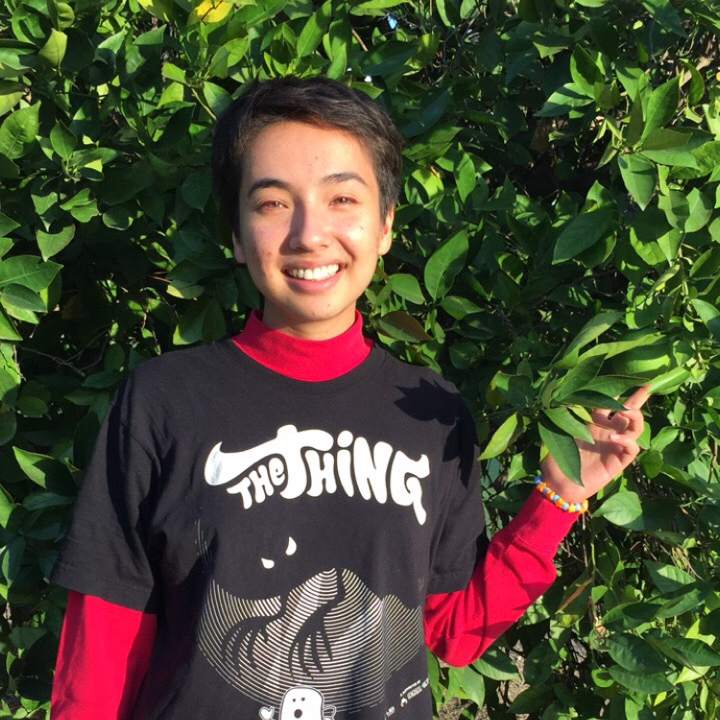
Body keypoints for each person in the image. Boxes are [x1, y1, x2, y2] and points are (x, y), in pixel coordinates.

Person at [50, 76, 649, 720]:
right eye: (272, 203)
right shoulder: (163, 402)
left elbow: (455, 630)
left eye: (342, 198)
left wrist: (559, 496)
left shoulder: (433, 412)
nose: (310, 234)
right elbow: (99, 653)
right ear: (236, 235)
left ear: (385, 225)